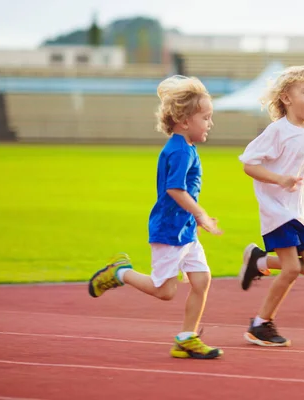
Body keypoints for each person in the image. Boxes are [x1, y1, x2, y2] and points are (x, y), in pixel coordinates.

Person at [88, 75, 223, 359]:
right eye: (206, 117)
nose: (210, 123)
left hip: (184, 230)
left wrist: (194, 220)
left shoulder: (186, 148)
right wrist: (201, 214)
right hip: (168, 231)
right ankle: (119, 272)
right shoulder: (179, 151)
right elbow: (175, 189)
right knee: (165, 291)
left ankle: (187, 337)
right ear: (185, 121)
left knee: (201, 280)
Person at [238, 65, 304, 347]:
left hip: (297, 211)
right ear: (287, 99)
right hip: (277, 209)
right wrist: (279, 179)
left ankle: (259, 261)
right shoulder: (277, 131)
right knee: (290, 269)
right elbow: (249, 164)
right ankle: (260, 324)